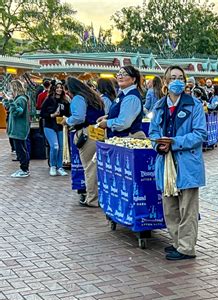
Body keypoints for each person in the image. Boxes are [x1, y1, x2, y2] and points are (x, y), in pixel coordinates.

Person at [149, 65, 207, 261]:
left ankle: (186, 247)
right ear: (165, 82)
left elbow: (200, 134)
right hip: (165, 163)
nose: (177, 80)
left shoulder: (194, 105)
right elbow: (153, 133)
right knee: (170, 207)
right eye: (173, 77)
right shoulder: (158, 106)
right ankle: (177, 242)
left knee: (187, 208)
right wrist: (158, 144)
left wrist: (175, 142)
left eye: (180, 77)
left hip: (187, 162)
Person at [64, 77, 105, 207]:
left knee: (90, 167)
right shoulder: (94, 97)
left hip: (87, 133)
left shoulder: (78, 98)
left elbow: (79, 117)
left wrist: (67, 121)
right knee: (97, 166)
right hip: (99, 131)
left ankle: (92, 199)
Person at [96, 65, 146, 138]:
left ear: (133, 79)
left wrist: (107, 123)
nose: (120, 77)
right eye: (119, 74)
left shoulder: (131, 97)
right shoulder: (123, 94)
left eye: (125, 74)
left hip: (129, 138)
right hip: (120, 138)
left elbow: (123, 123)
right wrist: (108, 117)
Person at [40, 81, 70, 176]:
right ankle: (53, 166)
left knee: (61, 147)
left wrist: (66, 118)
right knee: (55, 146)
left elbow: (68, 113)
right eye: (57, 87)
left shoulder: (65, 101)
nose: (59, 89)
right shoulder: (48, 100)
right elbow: (42, 114)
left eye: (61, 87)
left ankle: (60, 166)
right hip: (49, 126)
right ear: (54, 88)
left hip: (60, 126)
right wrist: (52, 115)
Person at [5, 80, 30, 178]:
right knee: (21, 149)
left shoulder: (21, 99)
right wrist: (7, 101)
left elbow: (17, 112)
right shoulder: (19, 99)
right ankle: (24, 169)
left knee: (21, 150)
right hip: (16, 129)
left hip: (18, 129)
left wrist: (11, 101)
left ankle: (24, 169)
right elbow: (11, 109)